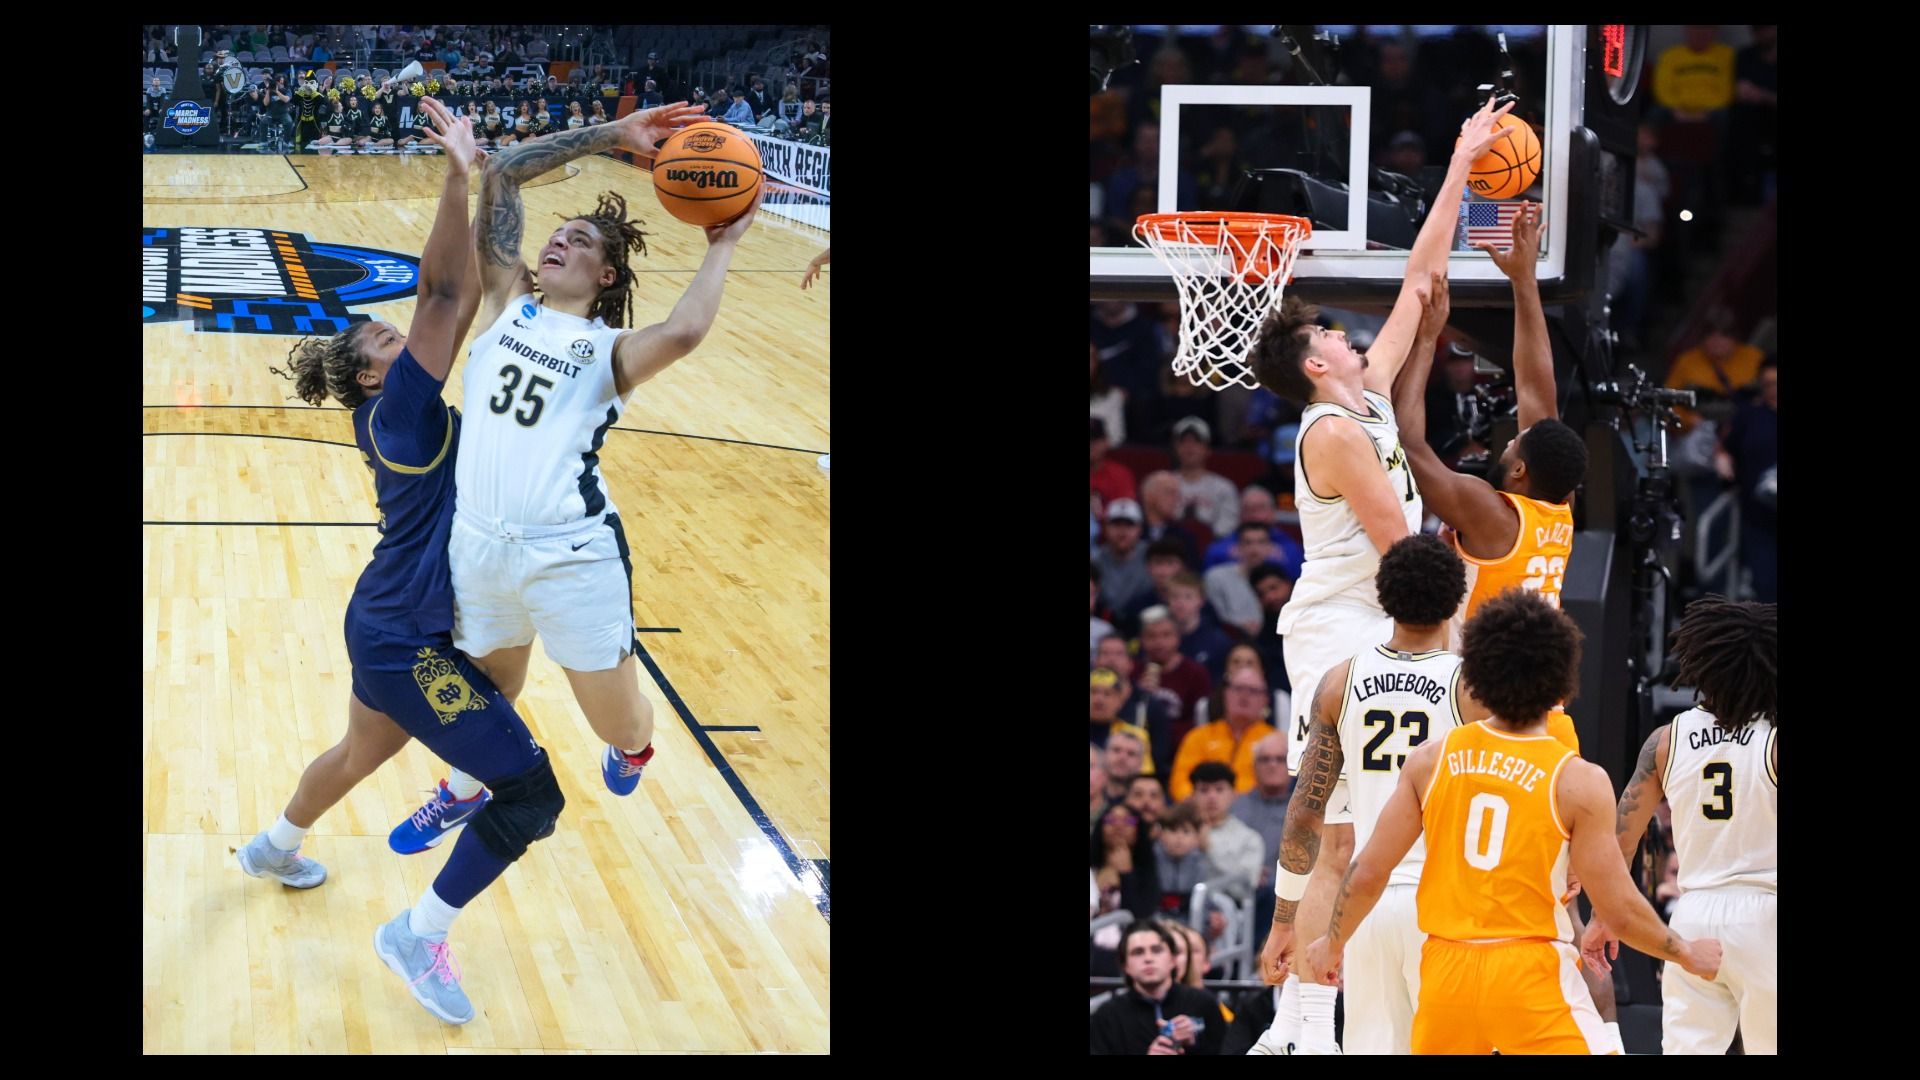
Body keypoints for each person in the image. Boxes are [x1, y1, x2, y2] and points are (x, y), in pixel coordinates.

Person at [238, 100, 561, 1027]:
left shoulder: (382, 414)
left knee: (358, 752)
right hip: (406, 639)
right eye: (385, 343)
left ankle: (273, 845)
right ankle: (417, 928)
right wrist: (458, 171)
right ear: (377, 374)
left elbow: (455, 297)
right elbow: (445, 296)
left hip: (385, 620)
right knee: (527, 786)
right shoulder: (404, 411)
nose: (401, 339)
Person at [383, 97, 743, 846]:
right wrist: (614, 134)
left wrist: (724, 244)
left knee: (615, 717)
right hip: (479, 544)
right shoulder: (509, 303)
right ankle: (463, 786)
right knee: (488, 690)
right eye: (558, 232)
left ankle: (634, 746)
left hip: (569, 555)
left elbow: (684, 330)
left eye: (578, 241)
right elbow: (506, 173)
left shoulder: (610, 349)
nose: (558, 240)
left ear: (605, 274)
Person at [1244, 95, 1520, 1054]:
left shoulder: (1358, 403)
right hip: (1346, 626)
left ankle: (1356, 1002)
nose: (1349, 334)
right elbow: (1403, 545)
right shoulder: (1331, 429)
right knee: (1340, 826)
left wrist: (1461, 158)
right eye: (1332, 334)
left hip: (1392, 615)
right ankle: (1300, 1020)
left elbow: (1420, 277)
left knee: (1391, 815)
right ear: (1317, 364)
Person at [1295, 591, 1723, 1054]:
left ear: (1476, 673)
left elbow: (1369, 871)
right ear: (1562, 675)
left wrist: (1332, 943)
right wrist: (1685, 952)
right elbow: (1617, 906)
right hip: (1529, 972)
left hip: (1445, 972)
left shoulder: (1430, 760)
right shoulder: (1576, 780)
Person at [1255, 534, 1479, 1054]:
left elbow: (1305, 817)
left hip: (1370, 908)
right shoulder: (1473, 686)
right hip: (1447, 902)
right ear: (1455, 600)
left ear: (1381, 596)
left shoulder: (1338, 682)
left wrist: (1284, 920)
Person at [1388, 203, 1591, 650]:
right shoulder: (1560, 505)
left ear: (1520, 471)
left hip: (1486, 691)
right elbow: (1538, 391)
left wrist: (1426, 341)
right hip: (1541, 693)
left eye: (1516, 442)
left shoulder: (1490, 514)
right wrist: (1523, 280)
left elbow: (1408, 444)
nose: (1514, 435)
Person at [1582, 598, 1775, 1054]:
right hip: (1765, 914)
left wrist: (1602, 916)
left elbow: (1619, 841)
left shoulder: (1667, 739)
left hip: (1694, 916)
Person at [1089, 921, 1227, 1054]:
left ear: (1173, 959)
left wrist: (1195, 1042)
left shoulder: (1203, 1004)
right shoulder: (1107, 1016)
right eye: (1138, 952)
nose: (1148, 958)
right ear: (1125, 966)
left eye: (1157, 950)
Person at [1715, 358, 1776, 602]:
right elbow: (1726, 447)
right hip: (1758, 514)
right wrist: (1722, 460)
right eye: (1768, 383)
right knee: (1765, 584)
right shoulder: (1750, 415)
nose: (1773, 388)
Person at [1169, 668, 1278, 803]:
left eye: (1253, 691)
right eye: (1238, 689)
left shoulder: (1275, 742)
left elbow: (1279, 785)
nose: (1244, 696)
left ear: (1265, 700)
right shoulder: (1199, 737)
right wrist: (1199, 803)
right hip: (1202, 811)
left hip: (1256, 813)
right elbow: (1180, 781)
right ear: (1226, 694)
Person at [1190, 762, 1264, 903]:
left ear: (1234, 795)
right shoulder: (1176, 831)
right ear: (1193, 795)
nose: (1212, 797)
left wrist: (1209, 849)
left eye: (1219, 790)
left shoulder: (1249, 838)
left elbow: (1244, 890)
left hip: (1230, 914)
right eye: (1204, 790)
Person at [1091, 801, 1160, 924]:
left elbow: (1141, 916)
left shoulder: (1148, 871)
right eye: (1111, 820)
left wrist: (1126, 875)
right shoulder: (1092, 869)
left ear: (1138, 830)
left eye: (1128, 821)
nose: (1118, 826)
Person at [1206, 522, 1279, 638]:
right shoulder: (1217, 577)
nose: (1254, 549)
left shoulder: (1278, 579)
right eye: (1248, 543)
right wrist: (1239, 627)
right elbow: (1213, 619)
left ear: (1269, 548)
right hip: (1229, 640)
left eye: (1261, 542)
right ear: (1238, 547)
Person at [1170, 417, 1240, 537]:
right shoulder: (1163, 483)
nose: (1189, 447)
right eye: (1184, 441)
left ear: (1207, 449)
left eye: (1196, 441)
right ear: (1176, 448)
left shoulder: (1224, 487)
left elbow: (1227, 528)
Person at [1093, 499, 1152, 613]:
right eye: (1116, 525)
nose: (1122, 532)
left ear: (1140, 528)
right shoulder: (1095, 560)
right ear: (1105, 528)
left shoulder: (1152, 556)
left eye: (1129, 525)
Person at [1089, 418, 1136, 510]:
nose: (1091, 445)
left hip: (1111, 523)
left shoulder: (1120, 474)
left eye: (1095, 440)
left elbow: (1125, 512)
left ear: (1106, 442)